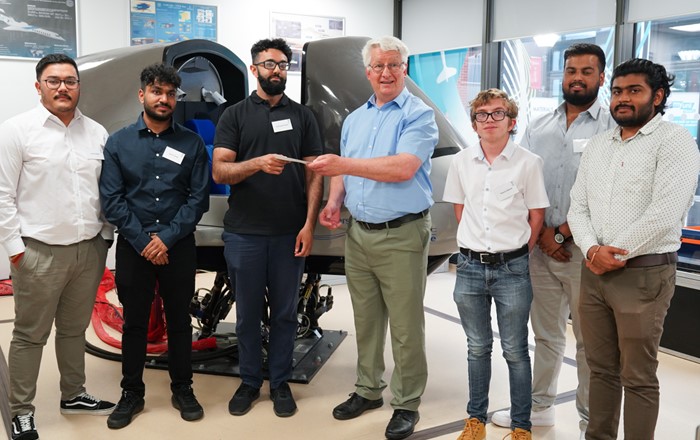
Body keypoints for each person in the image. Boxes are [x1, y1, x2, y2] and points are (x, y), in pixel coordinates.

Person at [308, 35, 438, 440]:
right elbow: (345, 173)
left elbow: (401, 167)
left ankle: (406, 402)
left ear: (405, 70)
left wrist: (343, 164)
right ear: (367, 73)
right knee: (365, 321)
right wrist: (334, 202)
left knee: (405, 326)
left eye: (394, 65)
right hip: (358, 233)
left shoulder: (419, 115)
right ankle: (368, 390)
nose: (386, 73)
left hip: (401, 234)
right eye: (378, 66)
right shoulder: (355, 119)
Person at [568, 58, 700, 440]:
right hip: (593, 272)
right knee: (600, 369)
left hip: (642, 276)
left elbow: (666, 211)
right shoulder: (598, 145)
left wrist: (614, 252)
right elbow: (579, 205)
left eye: (633, 91)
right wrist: (592, 250)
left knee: (638, 376)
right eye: (617, 91)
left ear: (657, 97)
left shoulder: (675, 141)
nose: (622, 99)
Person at [490, 43, 615, 439]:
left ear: (601, 77)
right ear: (561, 75)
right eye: (570, 70)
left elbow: (607, 192)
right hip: (541, 251)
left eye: (587, 71)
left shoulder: (612, 128)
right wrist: (542, 233)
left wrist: (560, 233)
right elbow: (520, 182)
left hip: (587, 253)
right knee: (544, 335)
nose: (577, 77)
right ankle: (540, 408)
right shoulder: (538, 127)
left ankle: (589, 422)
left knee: (589, 344)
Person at [0, 54, 116, 440]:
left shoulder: (97, 132)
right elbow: (2, 196)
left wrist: (103, 236)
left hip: (88, 251)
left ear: (79, 86)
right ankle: (21, 410)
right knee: (30, 335)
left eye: (70, 80)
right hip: (38, 253)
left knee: (73, 330)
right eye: (53, 81)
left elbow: (105, 191)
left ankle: (74, 394)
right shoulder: (17, 131)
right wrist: (16, 249)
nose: (63, 87)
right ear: (38, 87)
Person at [211, 38, 323, 418]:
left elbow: (314, 174)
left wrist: (308, 224)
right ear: (254, 67)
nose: (276, 70)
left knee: (286, 314)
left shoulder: (304, 116)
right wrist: (256, 163)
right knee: (247, 314)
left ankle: (279, 382)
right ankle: (248, 381)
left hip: (290, 232)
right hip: (244, 233)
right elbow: (220, 169)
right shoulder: (235, 115)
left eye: (282, 65)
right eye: (269, 64)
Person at [99, 63, 209, 429]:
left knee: (180, 321)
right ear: (141, 94)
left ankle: (183, 387)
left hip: (177, 246)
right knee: (134, 324)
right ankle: (132, 392)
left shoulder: (191, 143)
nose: (164, 99)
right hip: (135, 246)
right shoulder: (118, 143)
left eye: (170, 94)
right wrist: (146, 241)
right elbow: (112, 200)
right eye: (157, 92)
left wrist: (167, 238)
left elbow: (198, 199)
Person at [443, 88, 549, 440]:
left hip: (512, 270)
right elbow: (461, 211)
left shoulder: (528, 163)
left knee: (516, 350)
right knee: (477, 347)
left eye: (497, 113)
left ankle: (521, 426)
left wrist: (517, 253)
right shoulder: (461, 161)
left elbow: (537, 215)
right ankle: (476, 421)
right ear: (474, 124)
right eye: (482, 115)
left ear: (512, 121)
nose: (489, 120)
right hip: (470, 268)